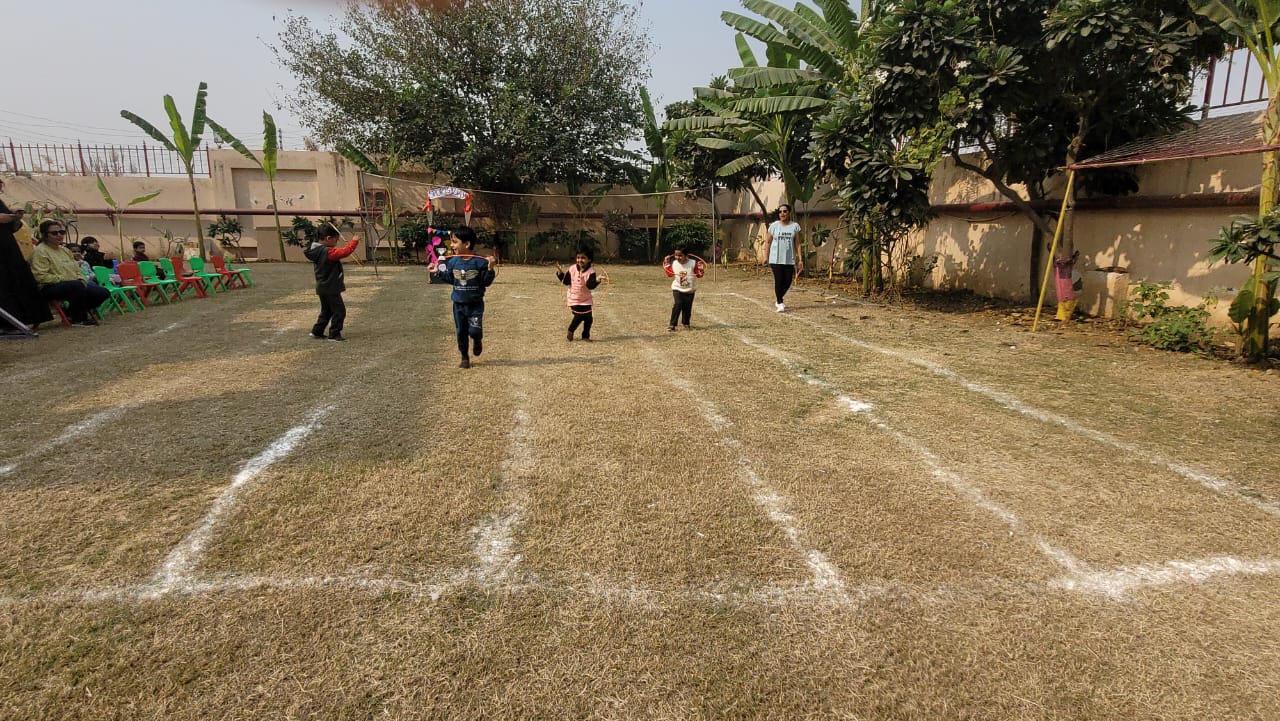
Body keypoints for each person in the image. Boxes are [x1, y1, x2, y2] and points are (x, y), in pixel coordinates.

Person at [430, 226, 495, 368]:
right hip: (458, 305)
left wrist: (490, 269)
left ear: (467, 244)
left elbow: (486, 282)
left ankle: (477, 339)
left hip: (475, 304)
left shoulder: (480, 263)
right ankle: (464, 356)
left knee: (475, 330)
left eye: (455, 242)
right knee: (461, 331)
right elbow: (451, 279)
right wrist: (437, 272)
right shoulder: (453, 262)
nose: (452, 246)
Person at [29, 220, 110, 326]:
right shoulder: (40, 251)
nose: (59, 235)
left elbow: (77, 269)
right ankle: (79, 319)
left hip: (73, 284)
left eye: (61, 232)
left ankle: (70, 312)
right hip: (48, 286)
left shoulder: (65, 250)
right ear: (45, 235)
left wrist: (82, 279)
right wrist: (66, 279)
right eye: (54, 233)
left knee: (103, 292)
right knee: (76, 285)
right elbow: (40, 276)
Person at [0, 181, 52, 330]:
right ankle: (8, 323)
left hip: (9, 248)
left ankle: (31, 317)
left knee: (20, 279)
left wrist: (15, 218)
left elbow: (11, 227)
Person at [303, 224, 360, 341]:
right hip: (330, 287)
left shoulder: (316, 250)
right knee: (339, 311)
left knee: (327, 311)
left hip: (323, 287)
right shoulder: (327, 252)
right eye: (336, 239)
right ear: (328, 238)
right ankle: (334, 334)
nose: (336, 242)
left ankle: (317, 331)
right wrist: (354, 242)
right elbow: (344, 252)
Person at [556, 247, 601, 341]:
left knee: (589, 319)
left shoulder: (591, 272)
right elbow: (566, 281)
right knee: (579, 316)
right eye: (578, 257)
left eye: (583, 258)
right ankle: (570, 330)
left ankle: (585, 336)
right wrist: (560, 273)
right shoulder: (572, 269)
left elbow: (590, 285)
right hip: (574, 298)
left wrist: (597, 280)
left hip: (586, 299)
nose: (580, 260)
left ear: (589, 259)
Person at [764, 203, 803, 312]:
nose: (782, 213)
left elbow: (797, 244)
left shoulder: (795, 226)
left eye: (785, 211)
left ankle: (778, 298)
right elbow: (768, 242)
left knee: (788, 281)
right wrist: (766, 256)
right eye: (780, 212)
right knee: (779, 281)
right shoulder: (774, 226)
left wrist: (800, 259)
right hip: (775, 259)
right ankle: (780, 302)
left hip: (789, 259)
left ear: (789, 213)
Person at [663, 245, 705, 331]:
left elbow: (699, 275)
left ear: (686, 255)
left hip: (690, 290)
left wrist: (701, 269)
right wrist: (666, 263)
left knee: (687, 307)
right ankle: (672, 324)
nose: (677, 257)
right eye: (676, 255)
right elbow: (669, 274)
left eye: (680, 255)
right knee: (678, 304)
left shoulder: (693, 263)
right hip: (677, 288)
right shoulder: (674, 263)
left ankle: (686, 323)